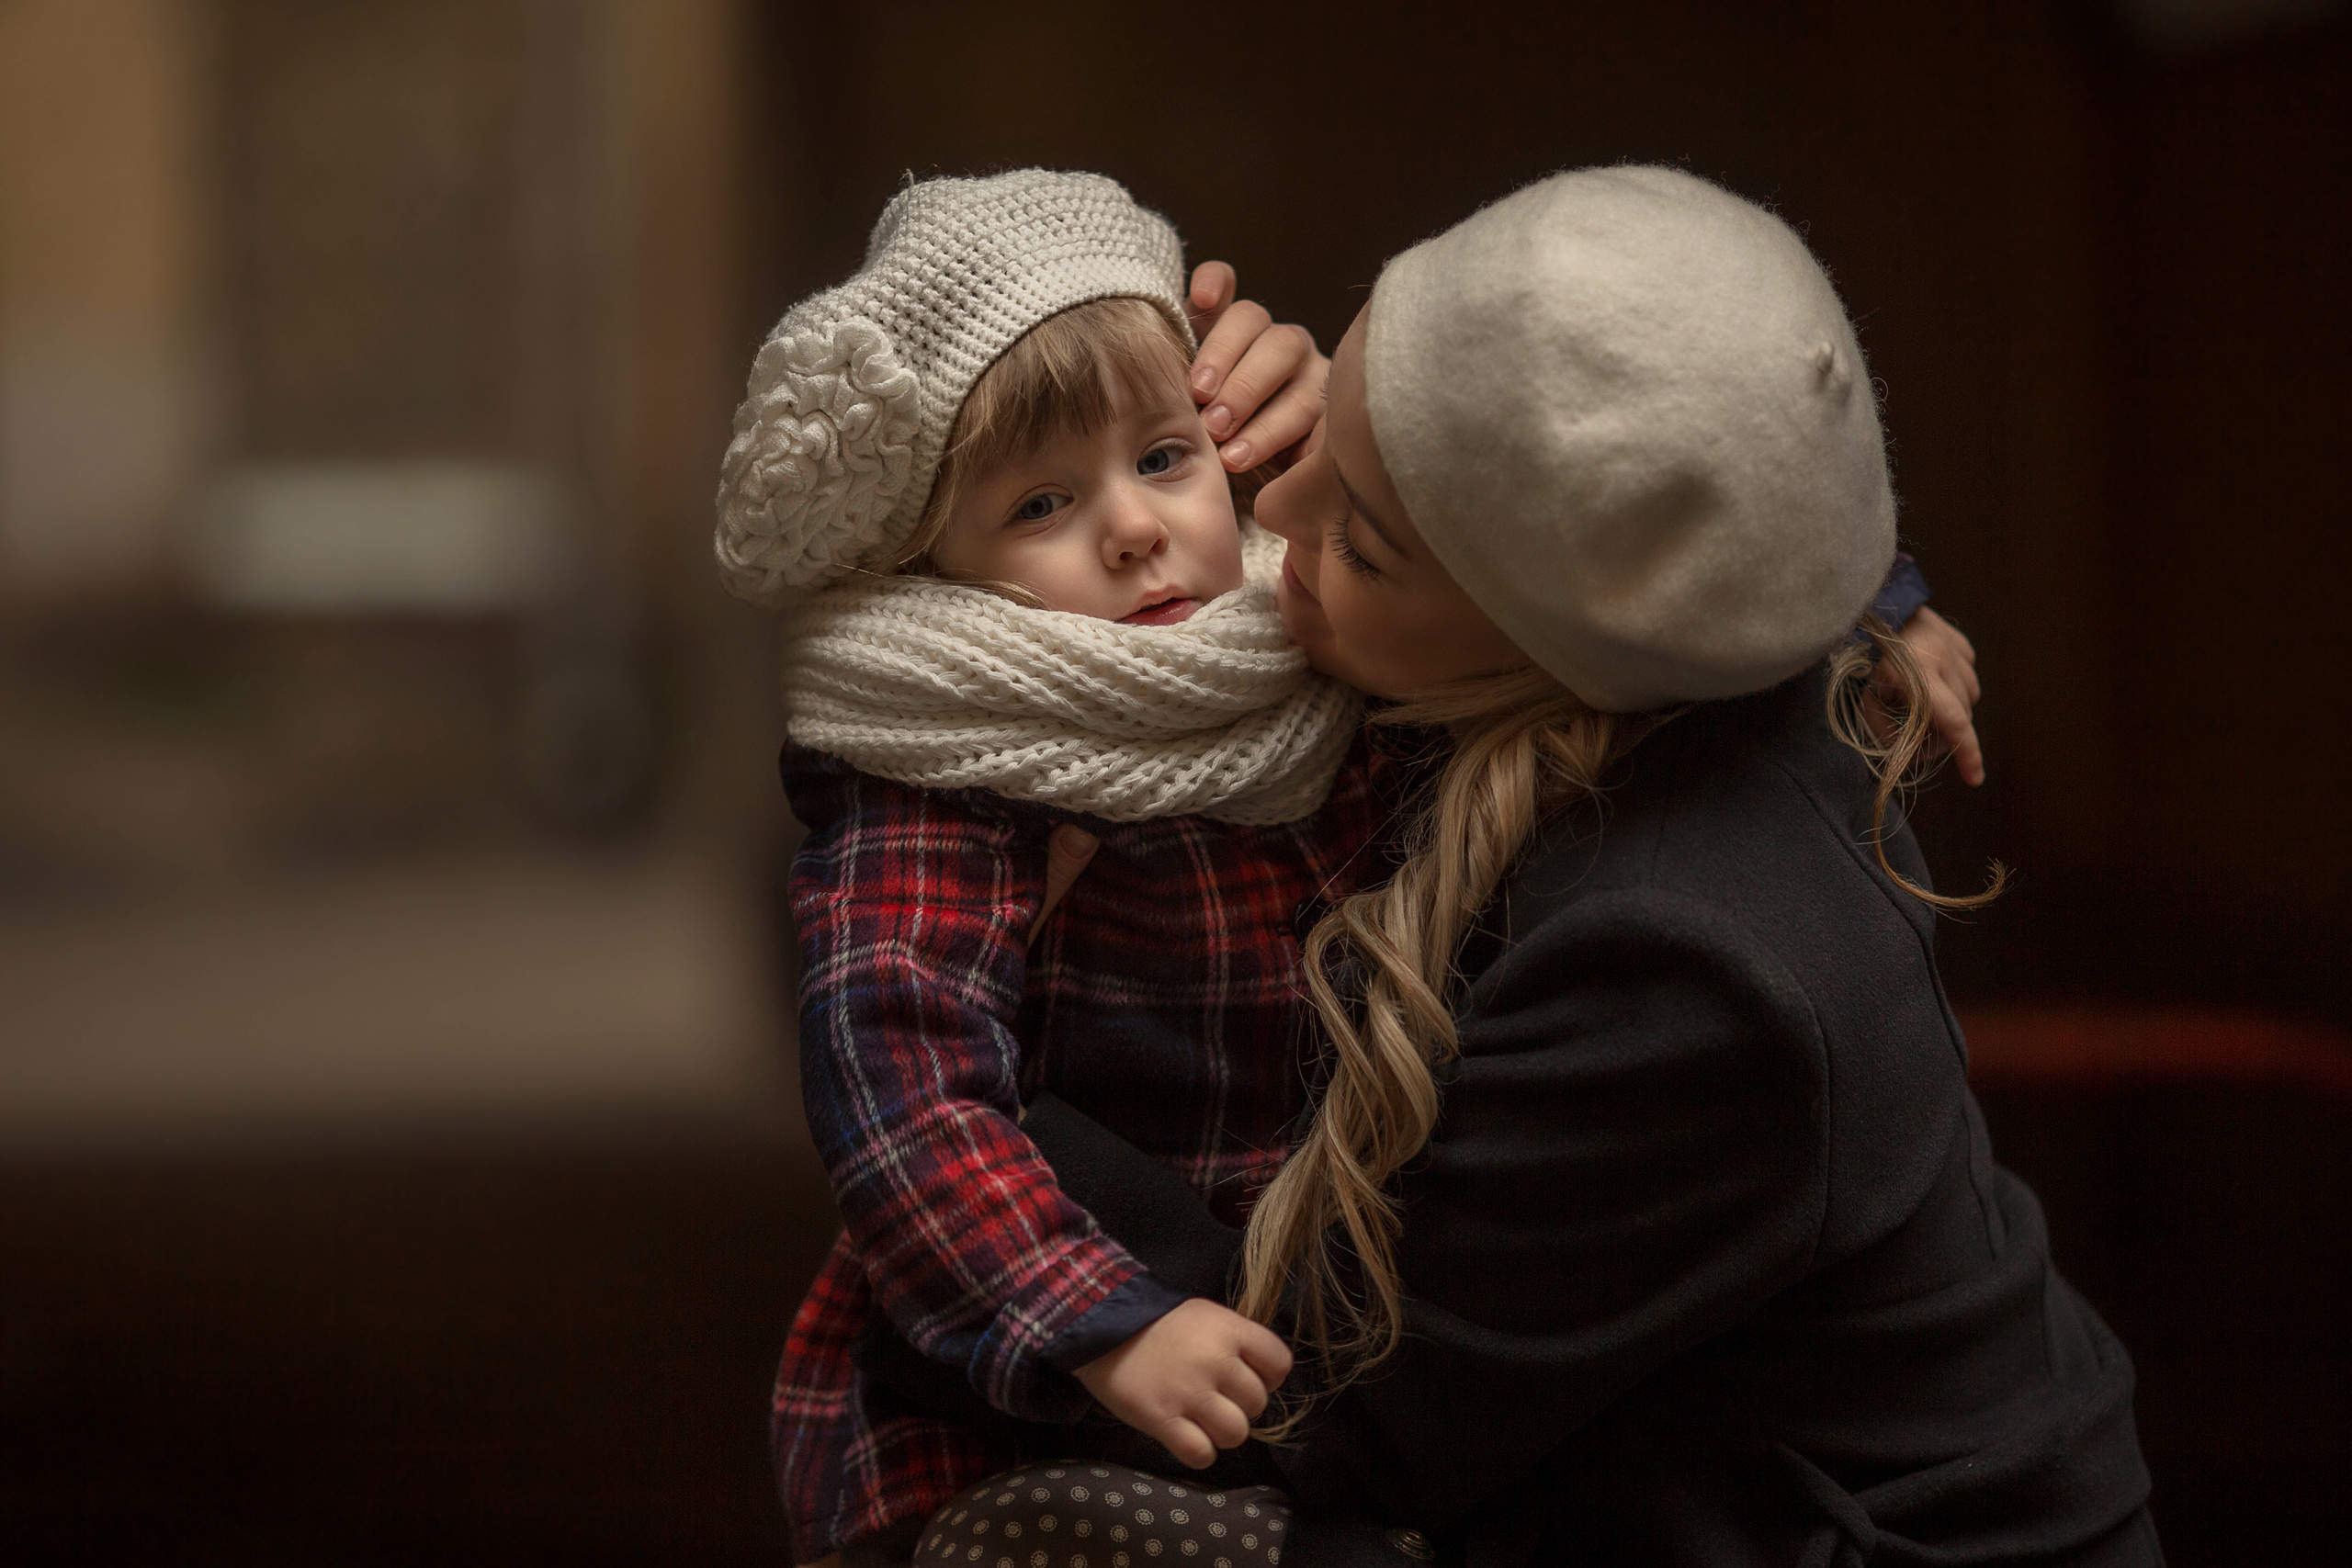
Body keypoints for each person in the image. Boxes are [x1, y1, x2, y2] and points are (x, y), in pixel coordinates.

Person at [717, 169, 1993, 1568]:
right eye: (1041, 502)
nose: (1171, 523)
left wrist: (1855, 607)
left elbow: (1633, 490)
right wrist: (1087, 1312)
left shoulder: (1682, 948)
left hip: (1382, 1384)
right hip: (1059, 1340)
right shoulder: (973, 740)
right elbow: (897, 1077)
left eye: (1165, 460)